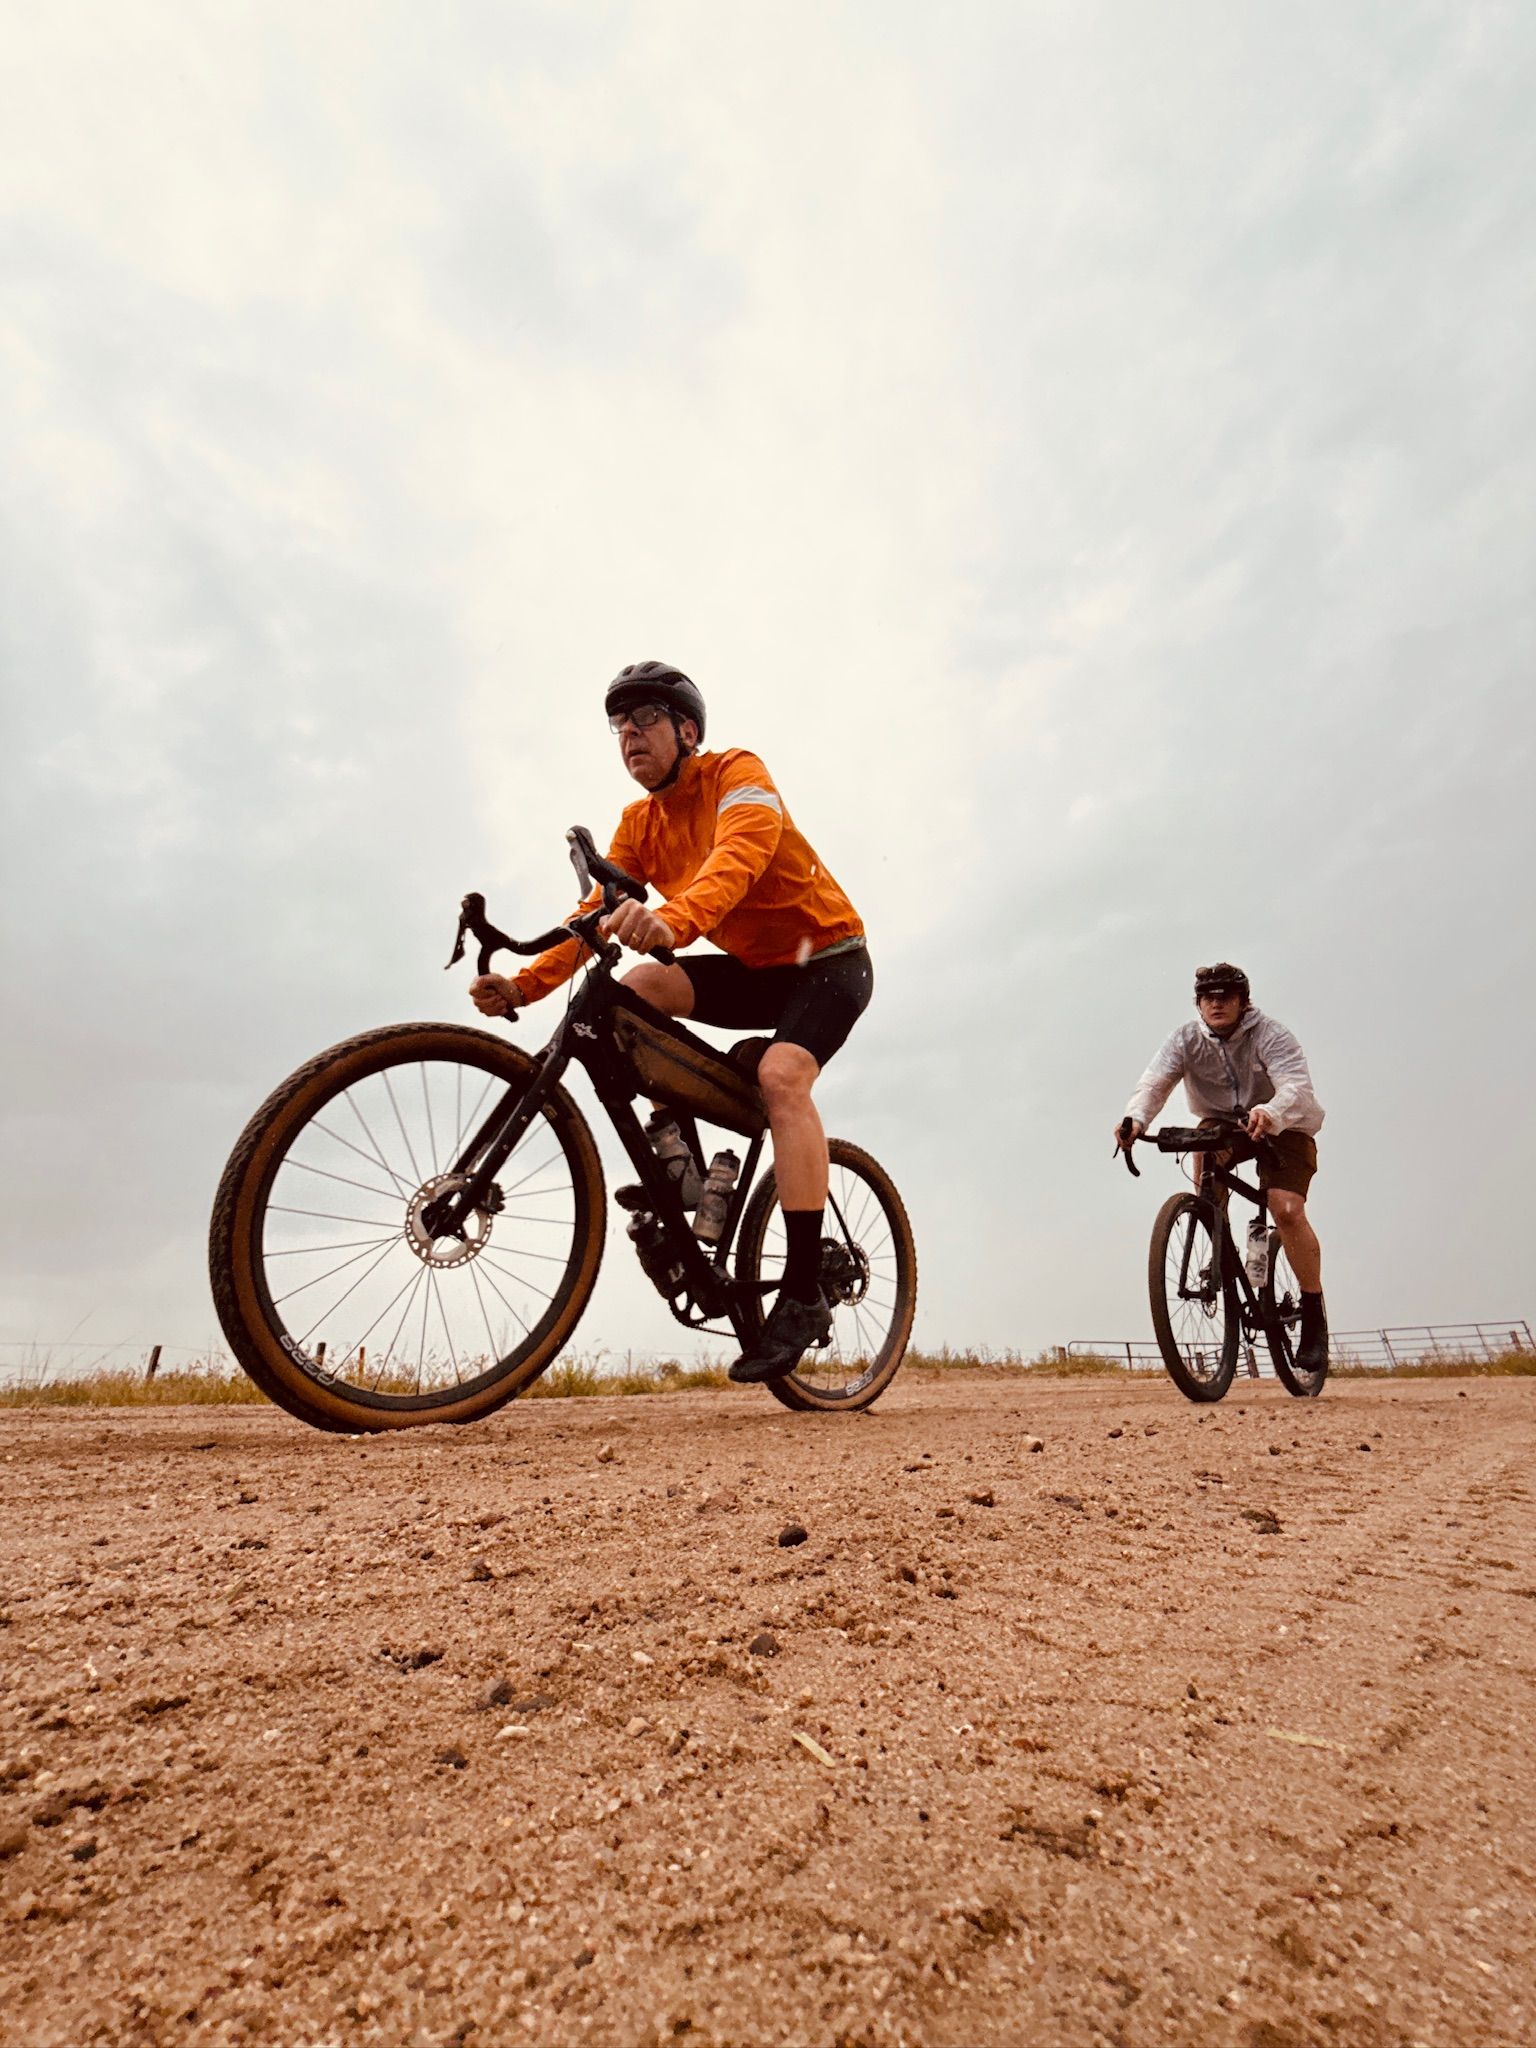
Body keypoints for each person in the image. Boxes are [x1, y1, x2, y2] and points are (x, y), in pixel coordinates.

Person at [469, 661, 872, 1385]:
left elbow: (738, 858)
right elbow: (591, 916)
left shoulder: (736, 773)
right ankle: (678, 1155)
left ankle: (805, 1289)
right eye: (618, 727)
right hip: (756, 970)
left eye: (645, 719)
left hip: (829, 960)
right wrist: (524, 985)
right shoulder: (637, 825)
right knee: (638, 987)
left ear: (687, 730)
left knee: (783, 1077)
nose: (630, 735)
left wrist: (672, 919)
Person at [1115, 962, 1328, 1372]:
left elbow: (1296, 1087)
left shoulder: (1271, 1034)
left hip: (1285, 1123)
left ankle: (1313, 1311)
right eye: (1208, 997)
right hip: (1225, 1125)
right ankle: (1219, 1244)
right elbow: (1154, 1084)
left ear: (1243, 1001)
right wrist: (1135, 1121)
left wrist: (1270, 1112)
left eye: (1226, 996)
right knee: (1206, 1169)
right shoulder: (1185, 1039)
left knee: (1285, 1209)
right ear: (1198, 1003)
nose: (1217, 1003)